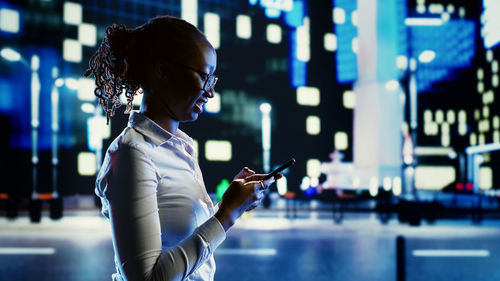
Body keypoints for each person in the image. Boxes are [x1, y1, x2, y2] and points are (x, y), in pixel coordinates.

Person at [85, 16, 281, 281]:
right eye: (203, 76)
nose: (210, 92)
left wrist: (231, 203)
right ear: (163, 71)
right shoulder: (133, 153)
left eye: (213, 79)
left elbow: (180, 235)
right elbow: (146, 278)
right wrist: (225, 216)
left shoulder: (182, 146)